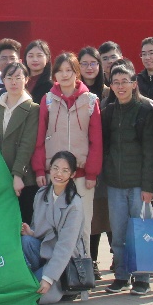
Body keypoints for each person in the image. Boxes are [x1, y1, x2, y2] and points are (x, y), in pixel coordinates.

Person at [100, 62, 153, 294]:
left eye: (125, 81)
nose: (120, 86)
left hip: (138, 185)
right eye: (116, 82)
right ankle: (121, 276)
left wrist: (148, 186)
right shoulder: (108, 112)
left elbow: (150, 152)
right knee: (119, 234)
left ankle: (142, 278)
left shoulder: (145, 110)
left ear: (134, 84)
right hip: (115, 184)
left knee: (141, 233)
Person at [32, 53, 103, 238]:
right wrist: (40, 170)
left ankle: (82, 257)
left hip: (81, 174)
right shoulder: (48, 100)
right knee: (53, 224)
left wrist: (92, 173)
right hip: (54, 172)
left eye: (69, 70)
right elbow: (40, 137)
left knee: (82, 225)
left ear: (76, 73)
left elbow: (96, 140)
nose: (64, 75)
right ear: (54, 74)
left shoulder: (90, 100)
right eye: (60, 71)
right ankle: (54, 258)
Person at [21, 150, 90, 304]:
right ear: (50, 169)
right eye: (55, 168)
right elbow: (39, 229)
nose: (59, 174)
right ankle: (30, 276)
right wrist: (31, 233)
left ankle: (62, 287)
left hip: (64, 259)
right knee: (26, 241)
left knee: (30, 294)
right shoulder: (41, 194)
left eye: (65, 170)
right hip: (45, 250)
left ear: (72, 174)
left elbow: (65, 247)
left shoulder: (74, 204)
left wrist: (48, 278)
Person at [0, 61, 37, 223]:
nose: (13, 82)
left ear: (26, 80)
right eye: (9, 78)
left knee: (22, 224)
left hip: (23, 178)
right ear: (3, 80)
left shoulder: (32, 109)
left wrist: (17, 175)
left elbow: (27, 144)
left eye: (18, 77)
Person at [78, 46, 112, 271]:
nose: (89, 68)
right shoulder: (75, 93)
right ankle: (91, 262)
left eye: (93, 63)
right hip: (84, 162)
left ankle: (118, 259)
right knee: (90, 216)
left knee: (108, 213)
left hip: (108, 161)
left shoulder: (109, 92)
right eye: (84, 63)